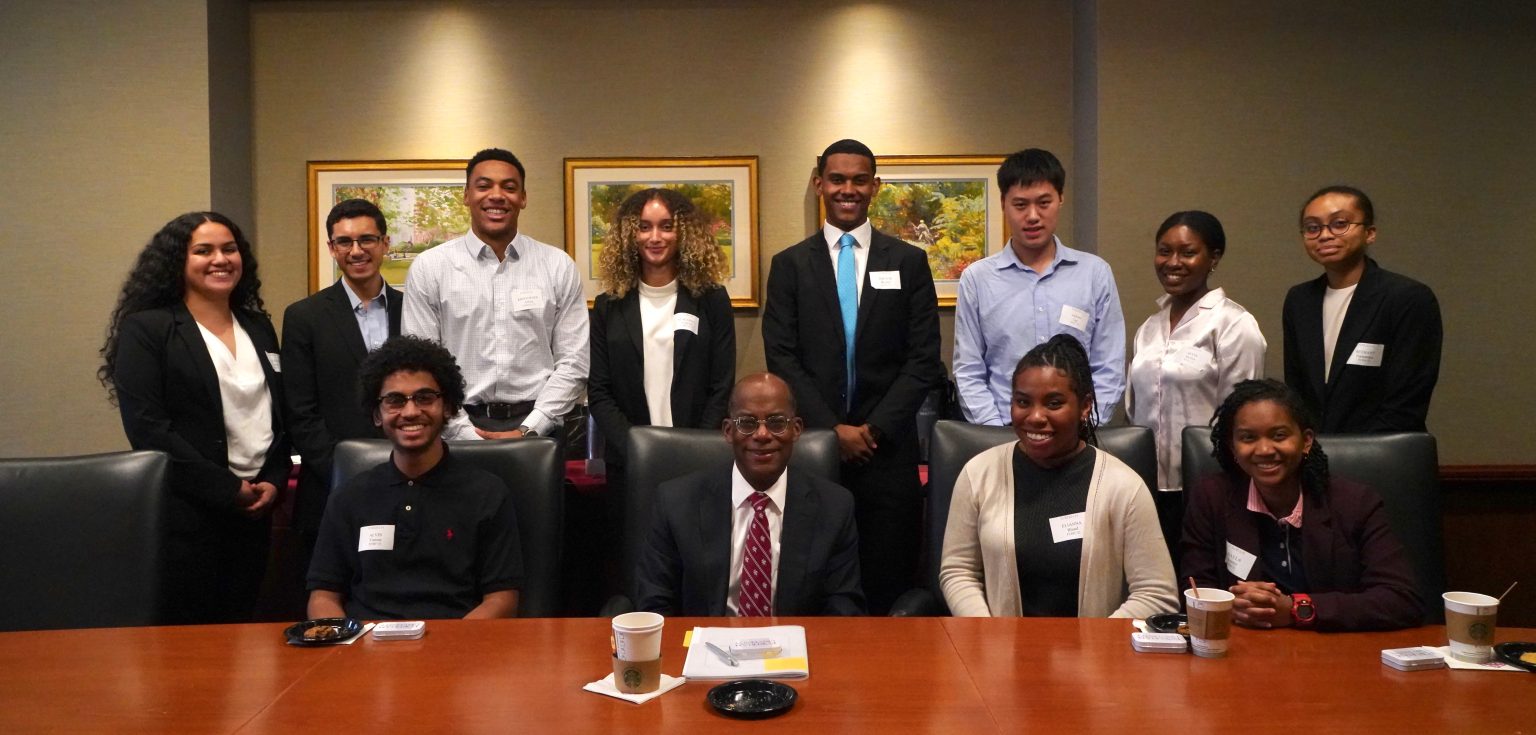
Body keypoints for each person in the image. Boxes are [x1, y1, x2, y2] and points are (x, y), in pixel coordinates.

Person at [761, 139, 943, 614]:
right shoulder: (789, 266)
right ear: (820, 183)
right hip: (812, 454)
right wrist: (830, 431)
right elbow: (781, 357)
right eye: (837, 179)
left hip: (887, 455)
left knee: (886, 588)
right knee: (812, 586)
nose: (848, 189)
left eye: (859, 180)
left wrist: (872, 430)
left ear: (875, 187)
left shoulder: (907, 262)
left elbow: (923, 359)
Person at [99, 211, 290, 624]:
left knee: (242, 630)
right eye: (203, 251)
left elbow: (277, 414)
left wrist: (273, 479)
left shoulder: (258, 326)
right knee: (192, 646)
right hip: (188, 515)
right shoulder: (148, 329)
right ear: (178, 262)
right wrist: (226, 488)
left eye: (229, 249)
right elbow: (148, 428)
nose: (220, 259)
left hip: (256, 510)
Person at [940, 335, 1177, 618]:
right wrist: (989, 632)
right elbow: (958, 571)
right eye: (1023, 402)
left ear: (1085, 406)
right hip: (999, 653)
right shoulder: (978, 475)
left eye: (1053, 403)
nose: (1036, 416)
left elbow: (1157, 594)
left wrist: (1093, 645)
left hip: (1095, 656)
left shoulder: (1124, 487)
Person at [306, 336, 523, 620]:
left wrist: (446, 650)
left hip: (457, 649)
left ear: (447, 407)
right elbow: (323, 596)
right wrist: (348, 649)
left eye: (424, 398)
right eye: (395, 400)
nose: (410, 412)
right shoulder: (349, 496)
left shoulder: (487, 493)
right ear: (376, 413)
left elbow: (502, 600)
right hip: (366, 651)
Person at [1180, 379, 1421, 631]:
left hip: (1334, 652)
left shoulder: (1355, 503)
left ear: (1306, 441)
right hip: (1245, 651)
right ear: (1232, 447)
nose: (1264, 449)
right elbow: (1195, 589)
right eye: (1248, 437)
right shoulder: (1211, 498)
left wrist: (1299, 608)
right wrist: (1230, 607)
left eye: (1279, 435)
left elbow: (1401, 599)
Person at [635, 373, 866, 616]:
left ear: (796, 429)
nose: (762, 435)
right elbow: (655, 605)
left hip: (797, 648)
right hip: (704, 646)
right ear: (727, 431)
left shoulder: (834, 507)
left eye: (776, 422)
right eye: (747, 423)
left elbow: (844, 611)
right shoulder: (675, 503)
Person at [402, 147, 588, 442]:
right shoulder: (431, 268)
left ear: (523, 198)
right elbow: (422, 364)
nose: (497, 195)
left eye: (509, 187)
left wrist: (529, 429)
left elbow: (574, 361)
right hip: (455, 427)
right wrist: (467, 434)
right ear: (466, 195)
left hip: (540, 428)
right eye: (484, 185)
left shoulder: (557, 265)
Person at [953, 148, 1126, 427]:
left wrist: (1084, 427)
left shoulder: (1094, 273)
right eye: (1020, 205)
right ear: (1003, 204)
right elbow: (969, 370)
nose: (1032, 216)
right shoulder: (978, 278)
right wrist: (997, 433)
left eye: (1043, 203)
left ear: (1060, 199)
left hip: (1077, 437)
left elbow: (1109, 366)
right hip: (1002, 433)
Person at [282, 198, 403, 559]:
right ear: (332, 248)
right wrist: (346, 470)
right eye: (345, 242)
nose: (357, 250)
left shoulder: (413, 308)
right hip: (330, 488)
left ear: (385, 243)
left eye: (367, 239)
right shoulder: (305, 317)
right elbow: (299, 411)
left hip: (410, 482)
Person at [588, 187, 735, 479]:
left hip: (698, 459)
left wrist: (697, 447)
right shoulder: (609, 306)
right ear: (630, 235)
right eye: (644, 227)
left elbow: (722, 385)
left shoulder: (712, 300)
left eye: (667, 227)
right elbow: (600, 392)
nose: (655, 237)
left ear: (684, 234)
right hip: (630, 461)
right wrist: (637, 448)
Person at [1282, 185, 1442, 432]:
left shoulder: (1407, 297)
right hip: (1313, 454)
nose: (1324, 235)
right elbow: (1296, 389)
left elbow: (1408, 398)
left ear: (1370, 233)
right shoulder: (1299, 300)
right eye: (1313, 228)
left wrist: (1356, 455)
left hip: (1383, 453)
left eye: (1339, 224)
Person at [1127, 211, 1265, 491]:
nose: (1173, 262)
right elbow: (1133, 410)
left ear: (1213, 258)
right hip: (1144, 484)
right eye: (1164, 252)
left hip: (1209, 481)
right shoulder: (1149, 328)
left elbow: (1243, 415)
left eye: (1187, 252)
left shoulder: (1233, 323)